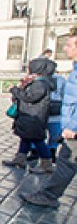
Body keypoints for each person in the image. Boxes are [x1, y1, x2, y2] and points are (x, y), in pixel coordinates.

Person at [22, 32, 77, 207]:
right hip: (66, 123)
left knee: (66, 162)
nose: (65, 48)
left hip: (72, 128)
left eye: (69, 45)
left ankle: (49, 195)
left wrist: (73, 126)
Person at [2, 58, 54, 173]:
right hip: (29, 116)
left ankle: (47, 164)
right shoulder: (37, 81)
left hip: (34, 117)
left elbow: (29, 97)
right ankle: (20, 159)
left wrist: (14, 90)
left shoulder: (40, 84)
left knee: (38, 140)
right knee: (25, 138)